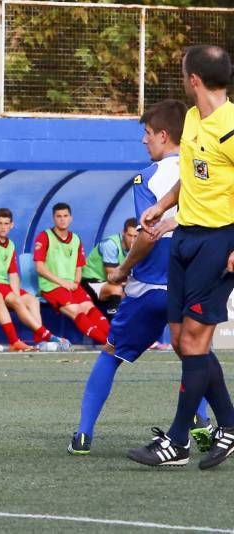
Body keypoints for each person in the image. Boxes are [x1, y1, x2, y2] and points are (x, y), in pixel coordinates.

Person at [69, 99, 214, 455]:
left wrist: (120, 272)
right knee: (193, 354)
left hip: (150, 287)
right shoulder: (203, 171)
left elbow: (148, 235)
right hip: (194, 281)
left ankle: (84, 435)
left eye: (148, 134)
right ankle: (204, 426)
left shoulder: (146, 178)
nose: (144, 141)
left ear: (164, 136)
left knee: (111, 353)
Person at [128, 45, 234, 469]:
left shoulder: (231, 127)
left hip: (217, 242)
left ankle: (177, 443)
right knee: (180, 340)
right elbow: (191, 179)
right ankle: (228, 424)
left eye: (181, 69)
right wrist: (164, 206)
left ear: (194, 79)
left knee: (193, 341)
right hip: (186, 236)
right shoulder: (192, 119)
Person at [0, 208, 71, 352]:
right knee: (15, 300)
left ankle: (40, 341)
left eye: (6, 224)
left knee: (31, 300)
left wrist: (16, 296)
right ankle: (43, 336)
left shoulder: (10, 245)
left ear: (12, 225)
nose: (3, 227)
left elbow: (13, 275)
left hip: (2, 285)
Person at [34, 203, 110, 345]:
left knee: (90, 308)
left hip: (72, 285)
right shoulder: (44, 237)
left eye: (65, 216)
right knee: (77, 310)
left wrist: (76, 282)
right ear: (53, 218)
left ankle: (115, 340)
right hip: (52, 286)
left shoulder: (75, 239)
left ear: (71, 218)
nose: (62, 219)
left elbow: (79, 266)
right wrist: (62, 282)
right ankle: (108, 344)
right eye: (59, 216)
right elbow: (39, 267)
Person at [80, 218, 139, 317]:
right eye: (129, 235)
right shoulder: (110, 244)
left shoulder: (137, 248)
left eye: (136, 236)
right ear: (123, 232)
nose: (132, 240)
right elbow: (113, 277)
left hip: (107, 284)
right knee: (117, 290)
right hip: (89, 282)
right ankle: (113, 325)